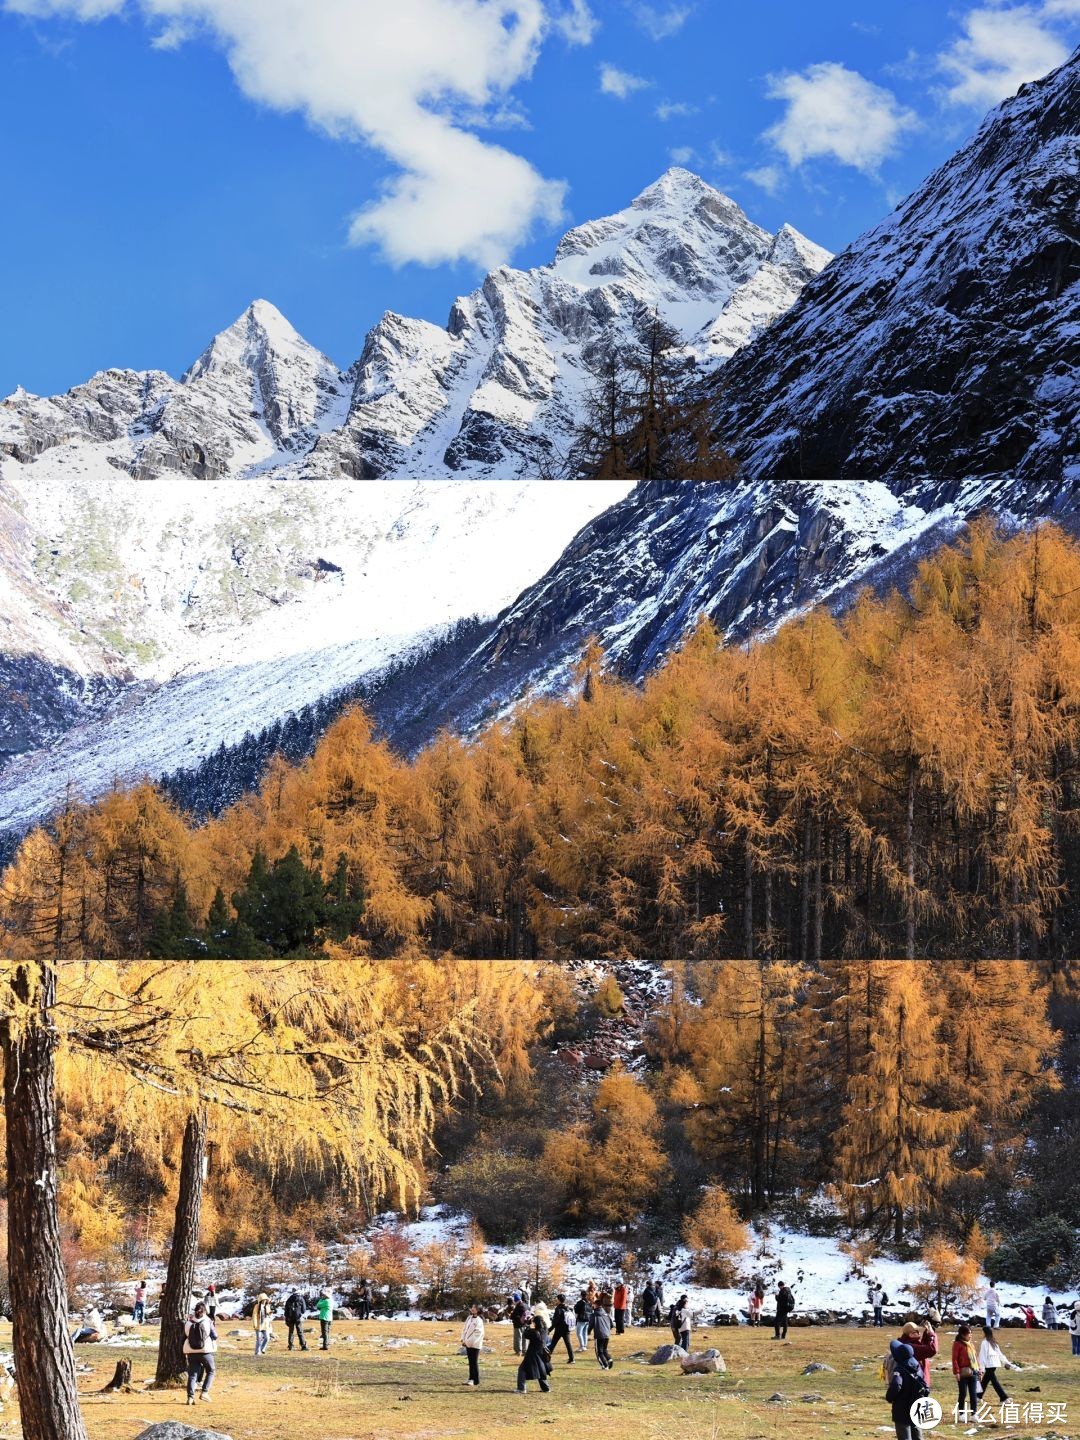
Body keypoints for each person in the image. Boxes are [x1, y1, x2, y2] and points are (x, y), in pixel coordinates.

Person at [886, 1341, 930, 1440]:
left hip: (902, 1408)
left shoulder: (900, 1370)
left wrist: (889, 1397)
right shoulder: (917, 1366)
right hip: (916, 1405)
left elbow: (896, 1385)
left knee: (904, 1434)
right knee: (916, 1431)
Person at [184, 1301, 217, 1405]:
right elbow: (215, 1335)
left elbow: (185, 1335)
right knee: (211, 1370)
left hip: (191, 1351)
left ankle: (190, 1398)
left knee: (192, 1375)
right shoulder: (208, 1321)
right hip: (205, 1351)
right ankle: (204, 1392)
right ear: (204, 1311)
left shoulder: (189, 1322)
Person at [977, 1324, 1016, 1402]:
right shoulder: (993, 1342)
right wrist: (1005, 1362)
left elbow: (983, 1356)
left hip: (989, 1364)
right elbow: (1000, 1354)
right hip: (994, 1364)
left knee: (994, 1382)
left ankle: (1003, 1398)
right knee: (986, 1381)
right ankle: (978, 1397)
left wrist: (981, 1368)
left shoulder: (985, 1342)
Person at [516, 1317, 552, 1394]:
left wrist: (527, 1325)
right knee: (541, 1371)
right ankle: (546, 1388)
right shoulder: (545, 1330)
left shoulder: (534, 1333)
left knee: (522, 1369)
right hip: (542, 1354)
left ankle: (521, 1388)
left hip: (532, 1354)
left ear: (536, 1323)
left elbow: (525, 1334)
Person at [952, 1324, 980, 1420]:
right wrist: (957, 1372)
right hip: (963, 1373)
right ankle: (961, 1413)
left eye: (971, 1333)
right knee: (963, 1393)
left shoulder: (971, 1345)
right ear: (963, 1334)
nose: (970, 1335)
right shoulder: (957, 1344)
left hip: (973, 1371)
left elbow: (976, 1359)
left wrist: (979, 1370)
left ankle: (974, 1414)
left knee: (973, 1394)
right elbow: (954, 1359)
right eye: (969, 1333)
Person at [900, 1321, 939, 1386]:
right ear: (911, 1335)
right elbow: (932, 1349)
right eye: (917, 1332)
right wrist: (931, 1334)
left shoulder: (908, 1343)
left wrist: (927, 1332)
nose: (919, 1333)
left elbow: (923, 1347)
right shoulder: (910, 1347)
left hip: (916, 1382)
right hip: (917, 1385)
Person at [461, 1303, 484, 1387]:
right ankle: (470, 1378)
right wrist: (463, 1339)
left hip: (475, 1344)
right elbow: (465, 1329)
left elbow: (478, 1334)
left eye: (474, 1307)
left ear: (478, 1310)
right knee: (470, 1362)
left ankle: (475, 1380)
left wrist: (469, 1341)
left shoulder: (479, 1321)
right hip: (467, 1343)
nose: (472, 1308)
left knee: (474, 1362)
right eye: (472, 1307)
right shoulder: (469, 1318)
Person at [549, 1295, 574, 1364]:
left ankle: (546, 1358)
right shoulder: (568, 1308)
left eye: (557, 1299)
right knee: (568, 1344)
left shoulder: (558, 1309)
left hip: (559, 1329)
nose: (556, 1300)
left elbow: (555, 1321)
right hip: (567, 1329)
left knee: (553, 1344)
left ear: (559, 1300)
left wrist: (550, 1330)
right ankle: (572, 1359)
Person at [593, 1301, 614, 1370]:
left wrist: (588, 1331)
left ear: (596, 1305)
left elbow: (590, 1324)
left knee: (599, 1352)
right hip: (607, 1334)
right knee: (604, 1350)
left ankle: (604, 1366)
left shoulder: (594, 1314)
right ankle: (609, 1359)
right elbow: (612, 1325)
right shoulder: (606, 1314)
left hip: (599, 1335)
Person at [253, 1292, 273, 1357]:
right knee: (259, 1339)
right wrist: (255, 1324)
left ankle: (262, 1348)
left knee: (267, 1338)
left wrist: (270, 1313)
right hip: (258, 1325)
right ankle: (257, 1352)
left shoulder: (267, 1306)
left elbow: (268, 1314)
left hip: (265, 1325)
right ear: (260, 1300)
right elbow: (254, 1316)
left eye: (265, 1299)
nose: (264, 1301)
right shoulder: (257, 1306)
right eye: (263, 1299)